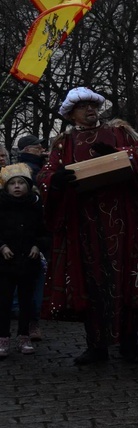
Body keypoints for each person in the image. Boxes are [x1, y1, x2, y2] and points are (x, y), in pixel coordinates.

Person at [37, 87, 138, 365]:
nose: (90, 110)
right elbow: (47, 173)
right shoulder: (63, 142)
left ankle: (128, 344)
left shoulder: (120, 133)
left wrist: (120, 153)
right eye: (83, 107)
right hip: (84, 222)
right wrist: (54, 180)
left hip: (124, 218)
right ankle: (96, 346)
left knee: (127, 276)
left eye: (93, 105)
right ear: (70, 114)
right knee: (92, 281)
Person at [0, 164, 49, 357]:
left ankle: (24, 335)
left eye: (21, 182)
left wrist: (38, 245)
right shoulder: (1, 205)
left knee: (26, 301)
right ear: (6, 186)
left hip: (29, 260)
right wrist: (1, 246)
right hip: (5, 262)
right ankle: (3, 338)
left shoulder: (35, 205)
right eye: (13, 183)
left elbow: (44, 230)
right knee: (3, 301)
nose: (17, 187)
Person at [15, 134, 48, 341]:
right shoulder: (30, 171)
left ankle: (29, 319)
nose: (42, 150)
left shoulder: (39, 167)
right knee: (32, 279)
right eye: (38, 148)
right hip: (28, 236)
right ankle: (29, 319)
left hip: (34, 236)